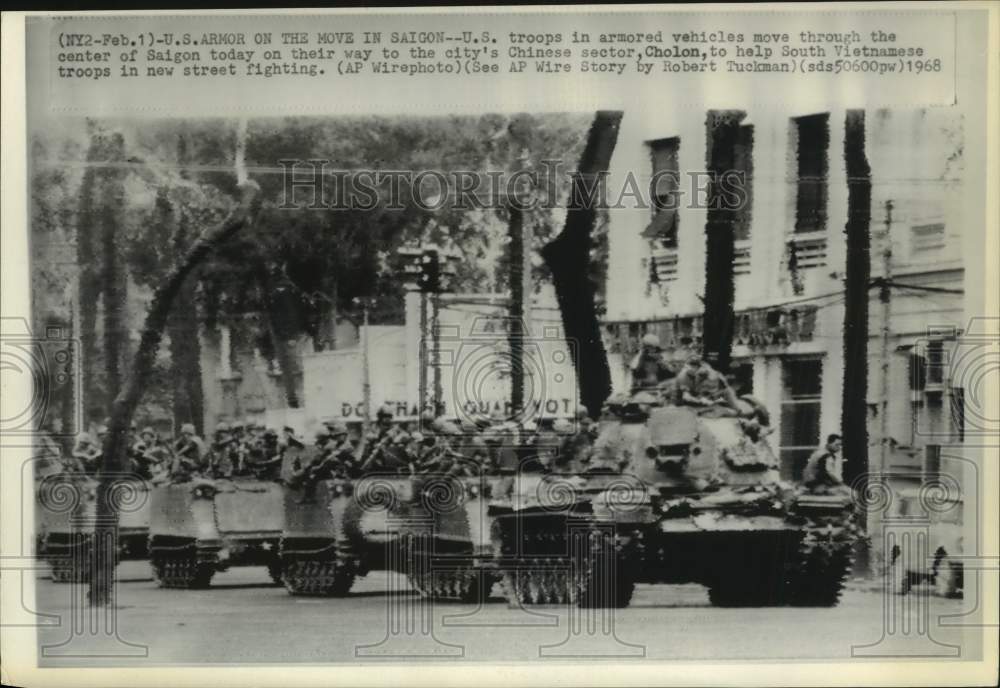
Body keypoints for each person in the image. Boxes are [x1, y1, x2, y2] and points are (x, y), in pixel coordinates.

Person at [673, 353, 739, 412]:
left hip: (705, 395)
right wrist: (701, 400)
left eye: (695, 366)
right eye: (690, 366)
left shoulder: (708, 371)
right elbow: (686, 396)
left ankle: (736, 409)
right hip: (685, 401)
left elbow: (722, 387)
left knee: (727, 392)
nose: (691, 368)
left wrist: (709, 398)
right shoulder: (683, 376)